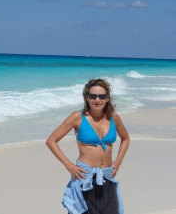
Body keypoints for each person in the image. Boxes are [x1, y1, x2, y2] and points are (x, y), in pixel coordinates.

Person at [46, 78, 130, 214]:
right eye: (93, 96)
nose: (97, 100)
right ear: (87, 97)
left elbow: (125, 139)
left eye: (102, 96)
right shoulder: (77, 117)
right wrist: (68, 165)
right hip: (85, 176)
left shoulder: (113, 117)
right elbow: (51, 140)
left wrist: (118, 161)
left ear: (107, 98)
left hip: (107, 176)